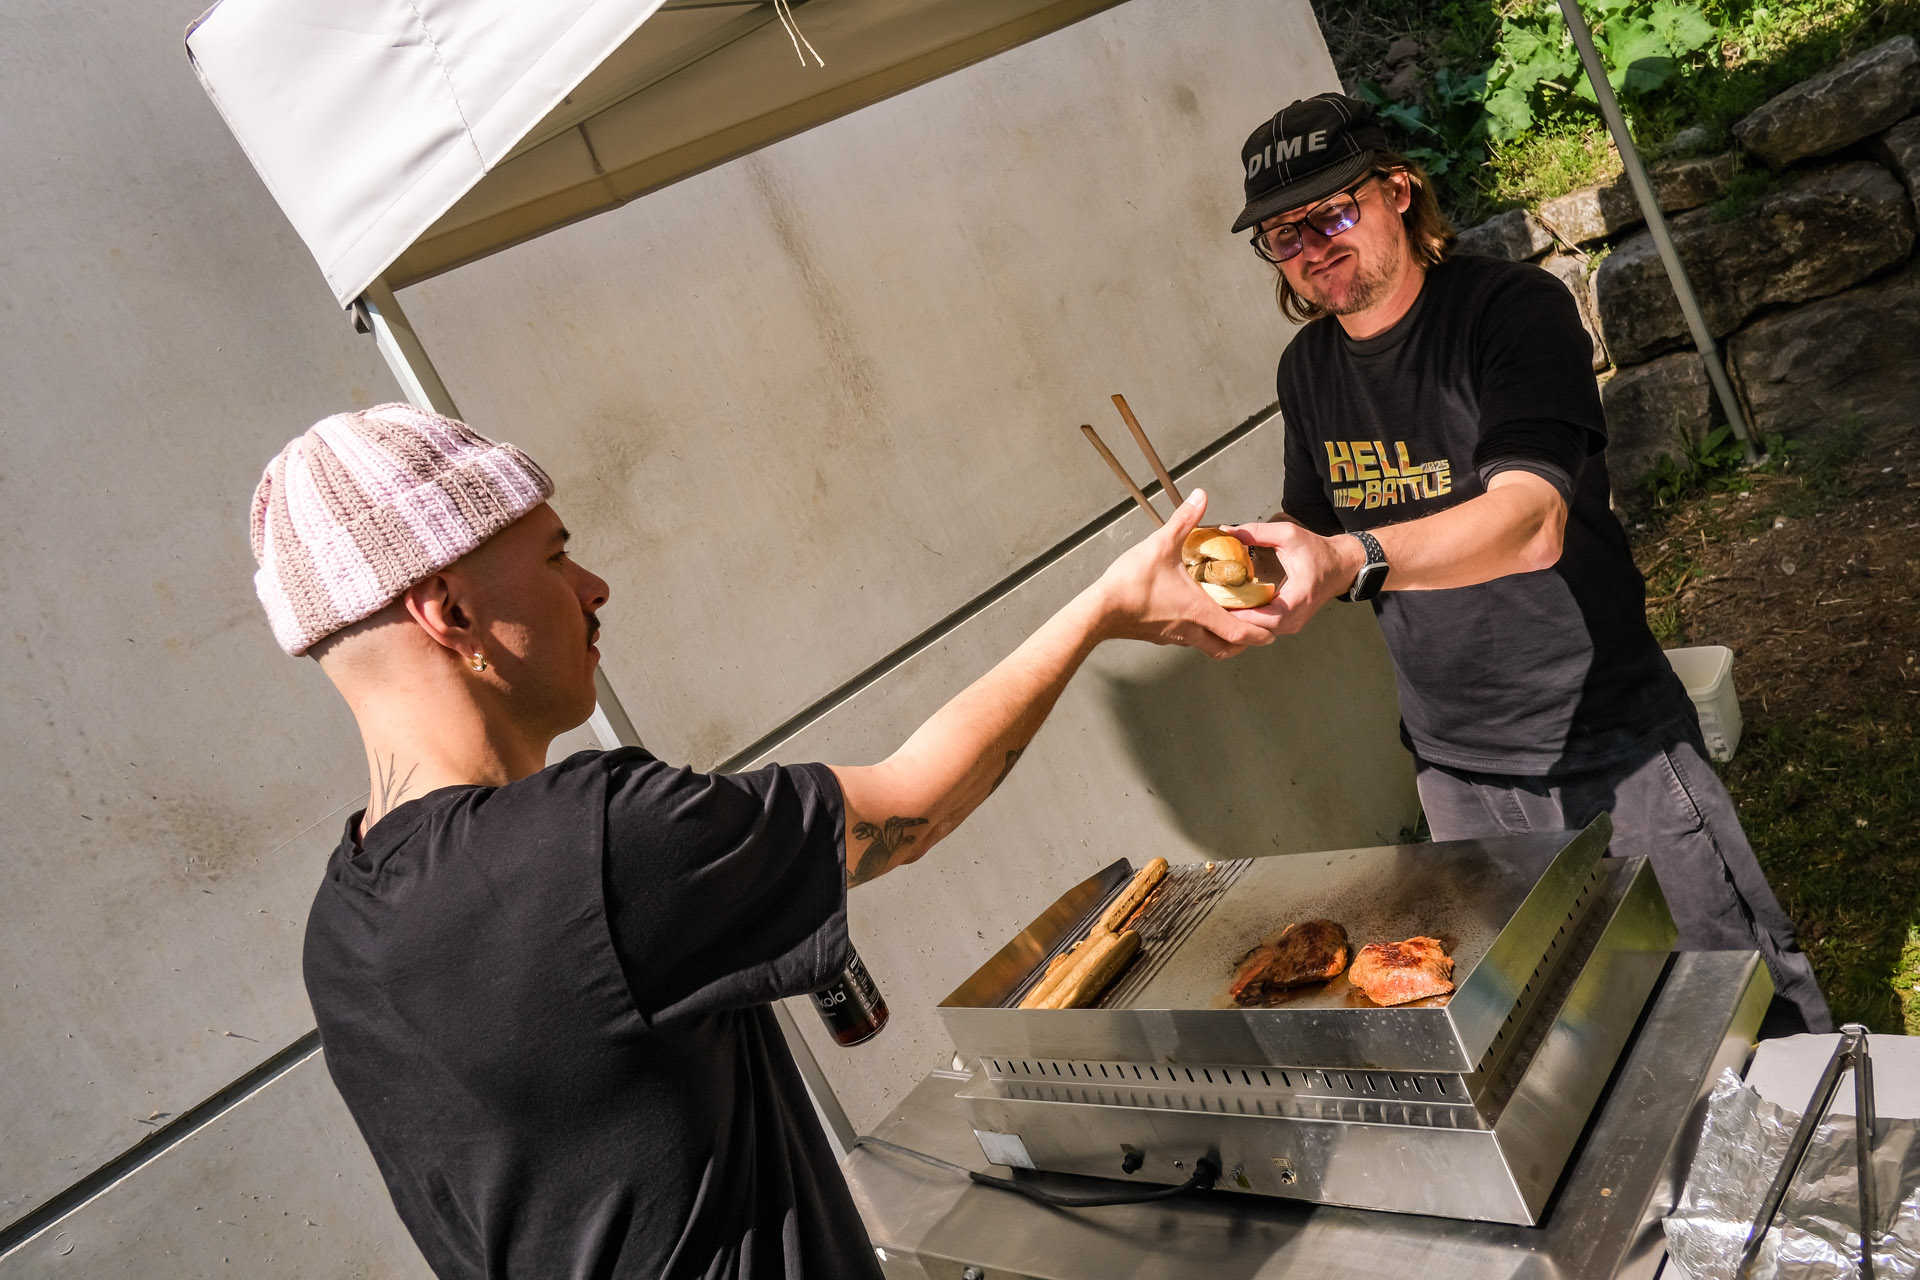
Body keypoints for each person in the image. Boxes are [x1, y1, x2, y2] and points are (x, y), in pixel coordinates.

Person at [248, 403, 1274, 1279]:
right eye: (557, 555)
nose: (594, 586)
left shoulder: (337, 932)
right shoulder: (590, 845)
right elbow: (916, 801)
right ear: (450, 608)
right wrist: (1105, 605)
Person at [1222, 93, 1830, 1034]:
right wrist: (1246, 567)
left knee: (1733, 993)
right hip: (1453, 766)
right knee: (1563, 1014)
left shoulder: (1510, 312)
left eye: (1332, 213)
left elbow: (1530, 522)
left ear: (1397, 191)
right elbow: (1312, 520)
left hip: (1602, 734)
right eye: (1282, 234)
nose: (1311, 247)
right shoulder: (1307, 370)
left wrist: (1349, 557)